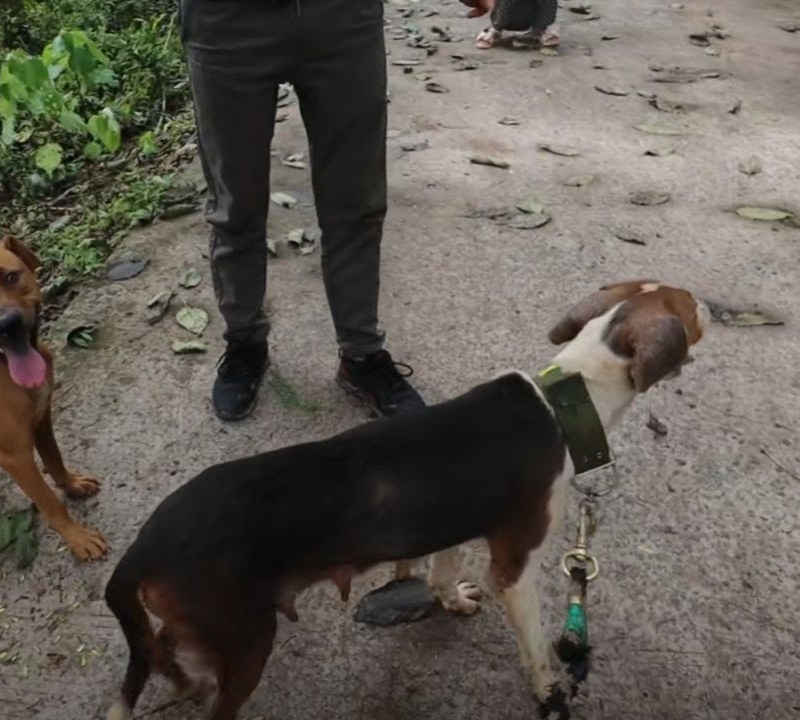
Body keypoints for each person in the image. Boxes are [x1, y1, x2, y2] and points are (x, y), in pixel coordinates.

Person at [182, 0, 428, 421]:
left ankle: (361, 354)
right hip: (226, 23)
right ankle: (244, 342)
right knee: (235, 205)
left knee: (356, 201)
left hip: (343, 19)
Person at [464, 0, 561, 49]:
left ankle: (542, 29)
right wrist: (482, 6)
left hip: (532, 13)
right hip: (504, 14)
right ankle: (495, 30)